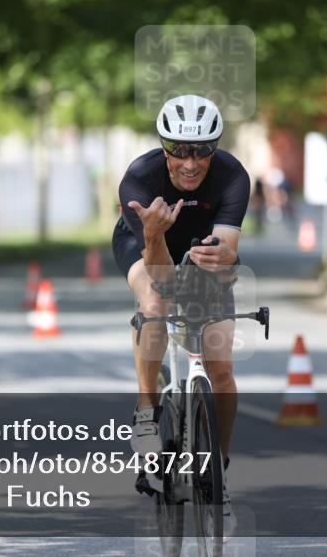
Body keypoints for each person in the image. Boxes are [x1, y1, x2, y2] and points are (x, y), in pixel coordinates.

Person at [112, 94, 249, 533]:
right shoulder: (139, 178)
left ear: (215, 148)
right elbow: (161, 272)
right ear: (163, 146)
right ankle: (147, 405)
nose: (190, 163)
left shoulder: (233, 176)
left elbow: (228, 251)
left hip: (205, 247)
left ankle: (219, 472)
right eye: (178, 150)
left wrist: (220, 262)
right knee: (155, 301)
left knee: (222, 366)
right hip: (146, 242)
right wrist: (154, 235)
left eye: (202, 150)